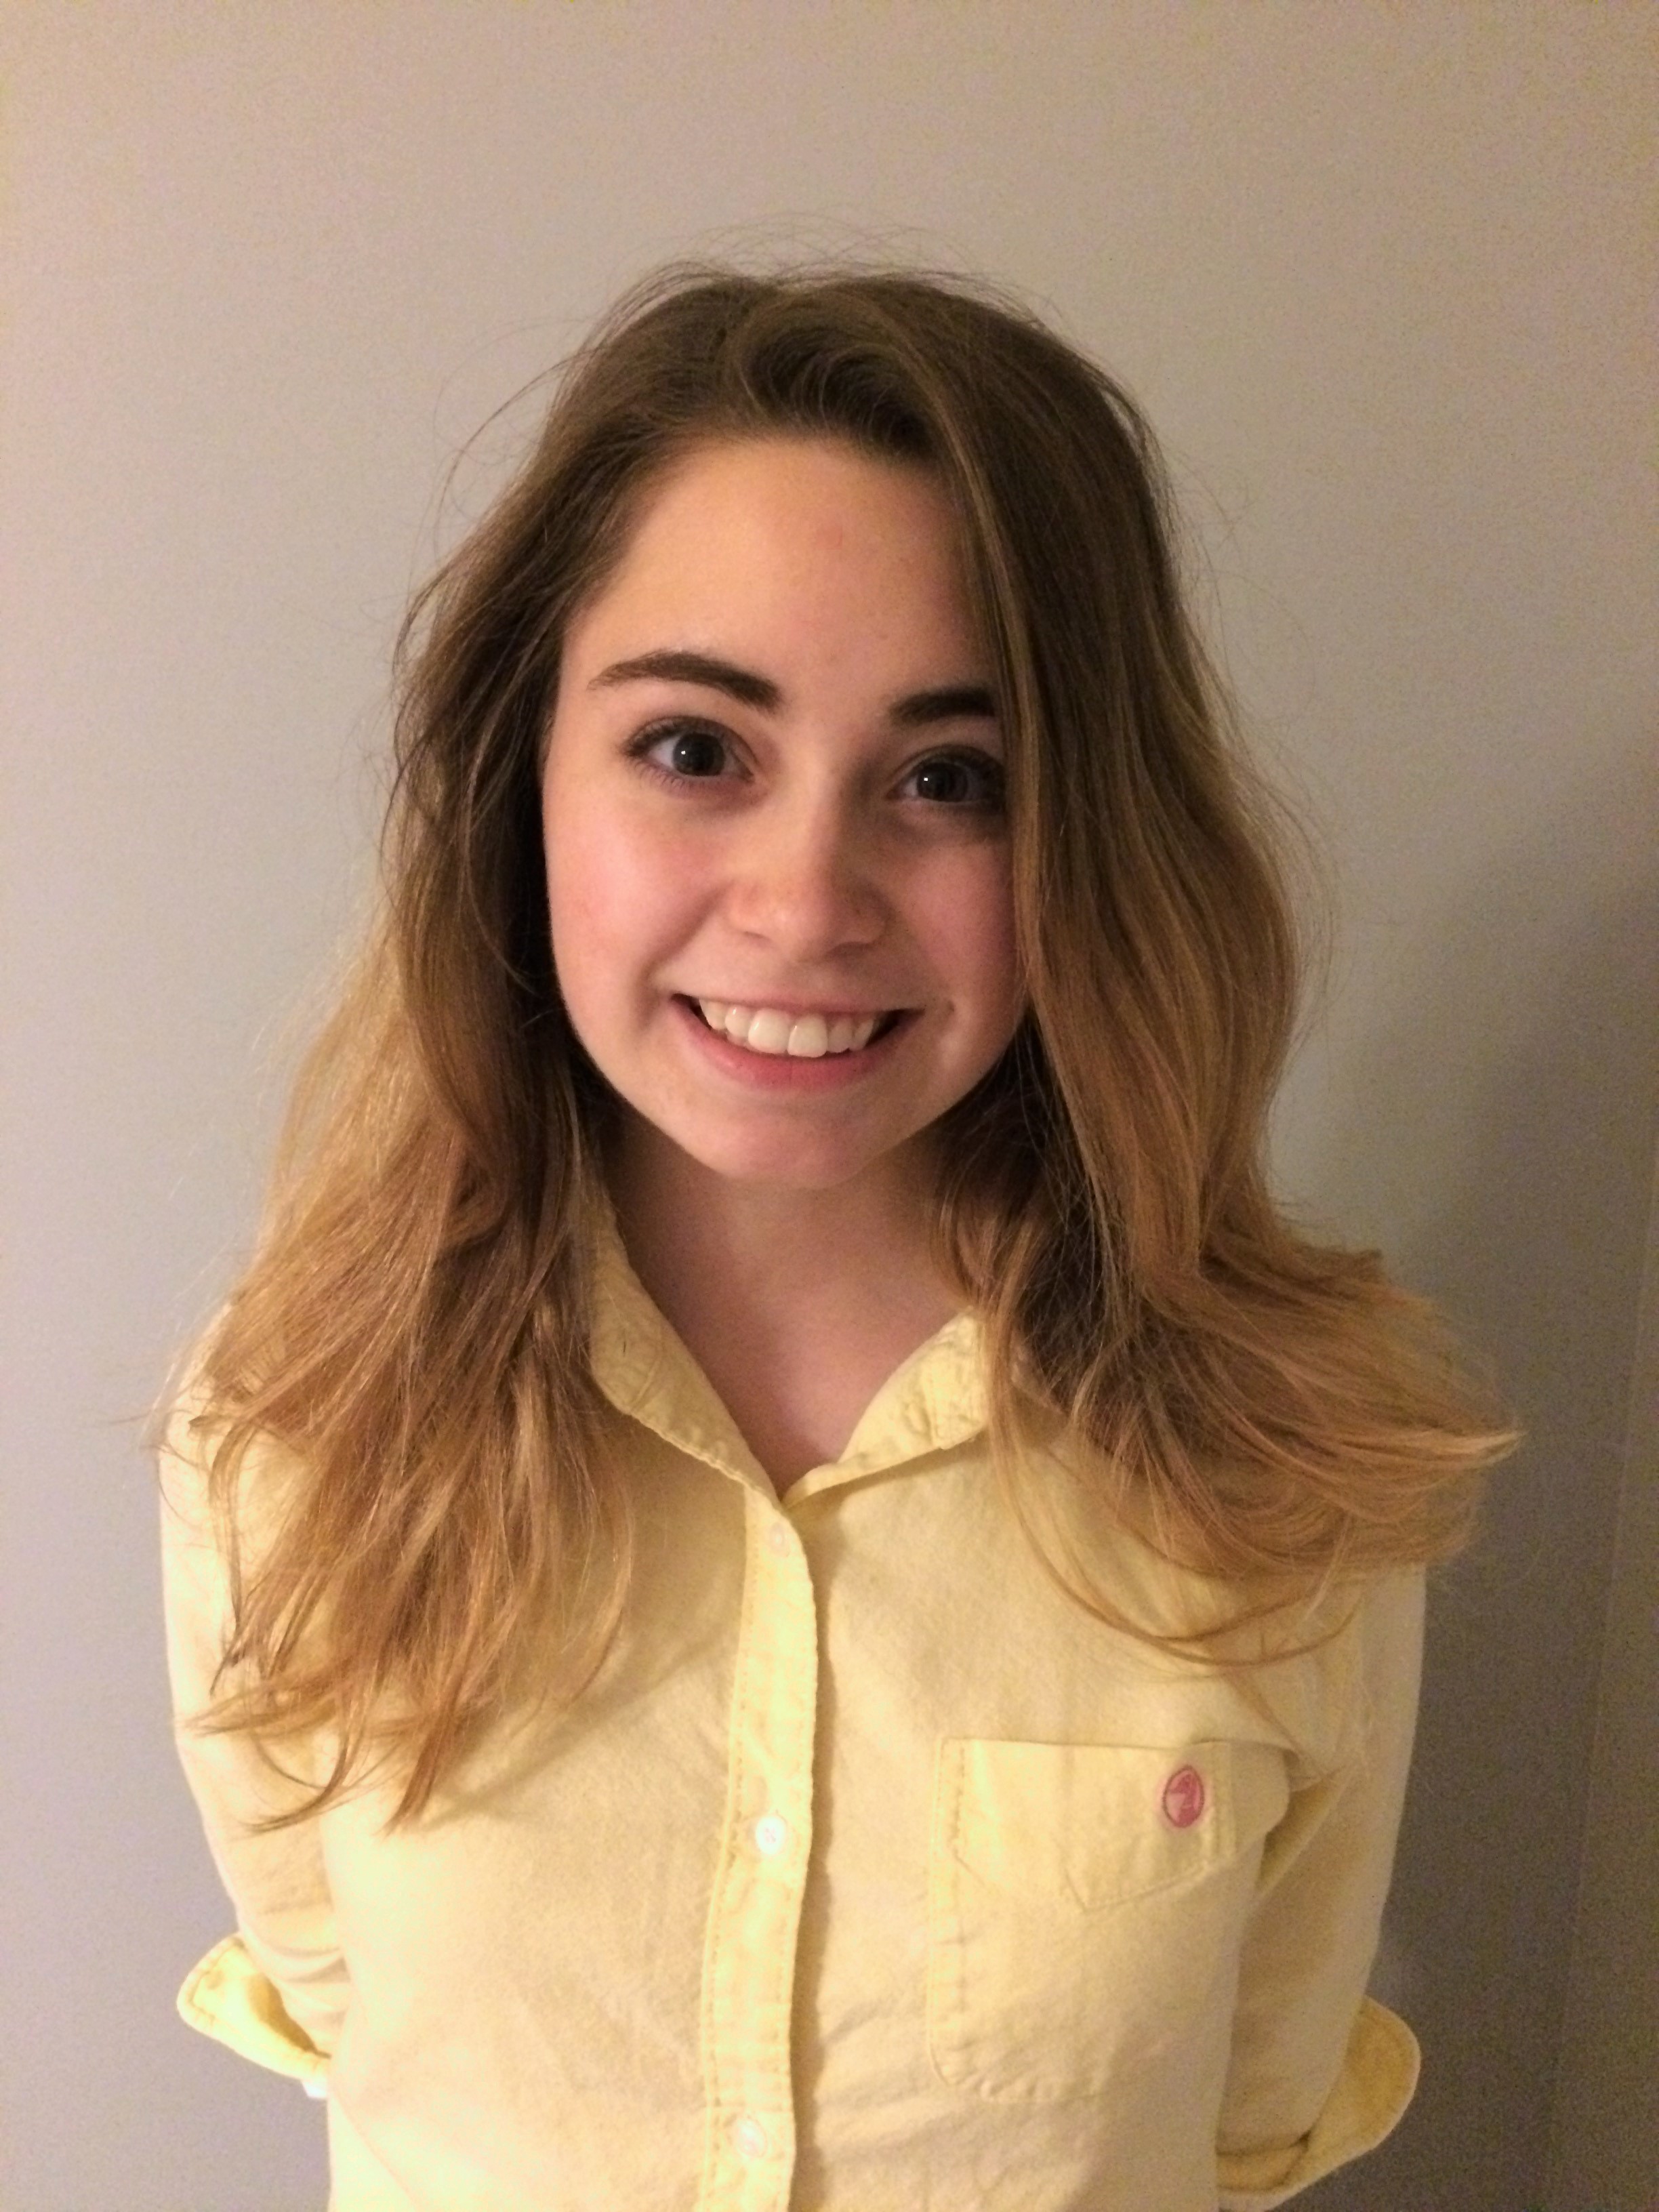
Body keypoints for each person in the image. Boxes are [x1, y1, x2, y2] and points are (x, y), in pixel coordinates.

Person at [159, 265, 1512, 2211]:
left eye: (949, 782)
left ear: (1087, 841)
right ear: (521, 771)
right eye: (697, 750)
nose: (806, 904)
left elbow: (1249, 2112)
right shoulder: (295, 1421)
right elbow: (332, 1998)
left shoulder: (1293, 1464)